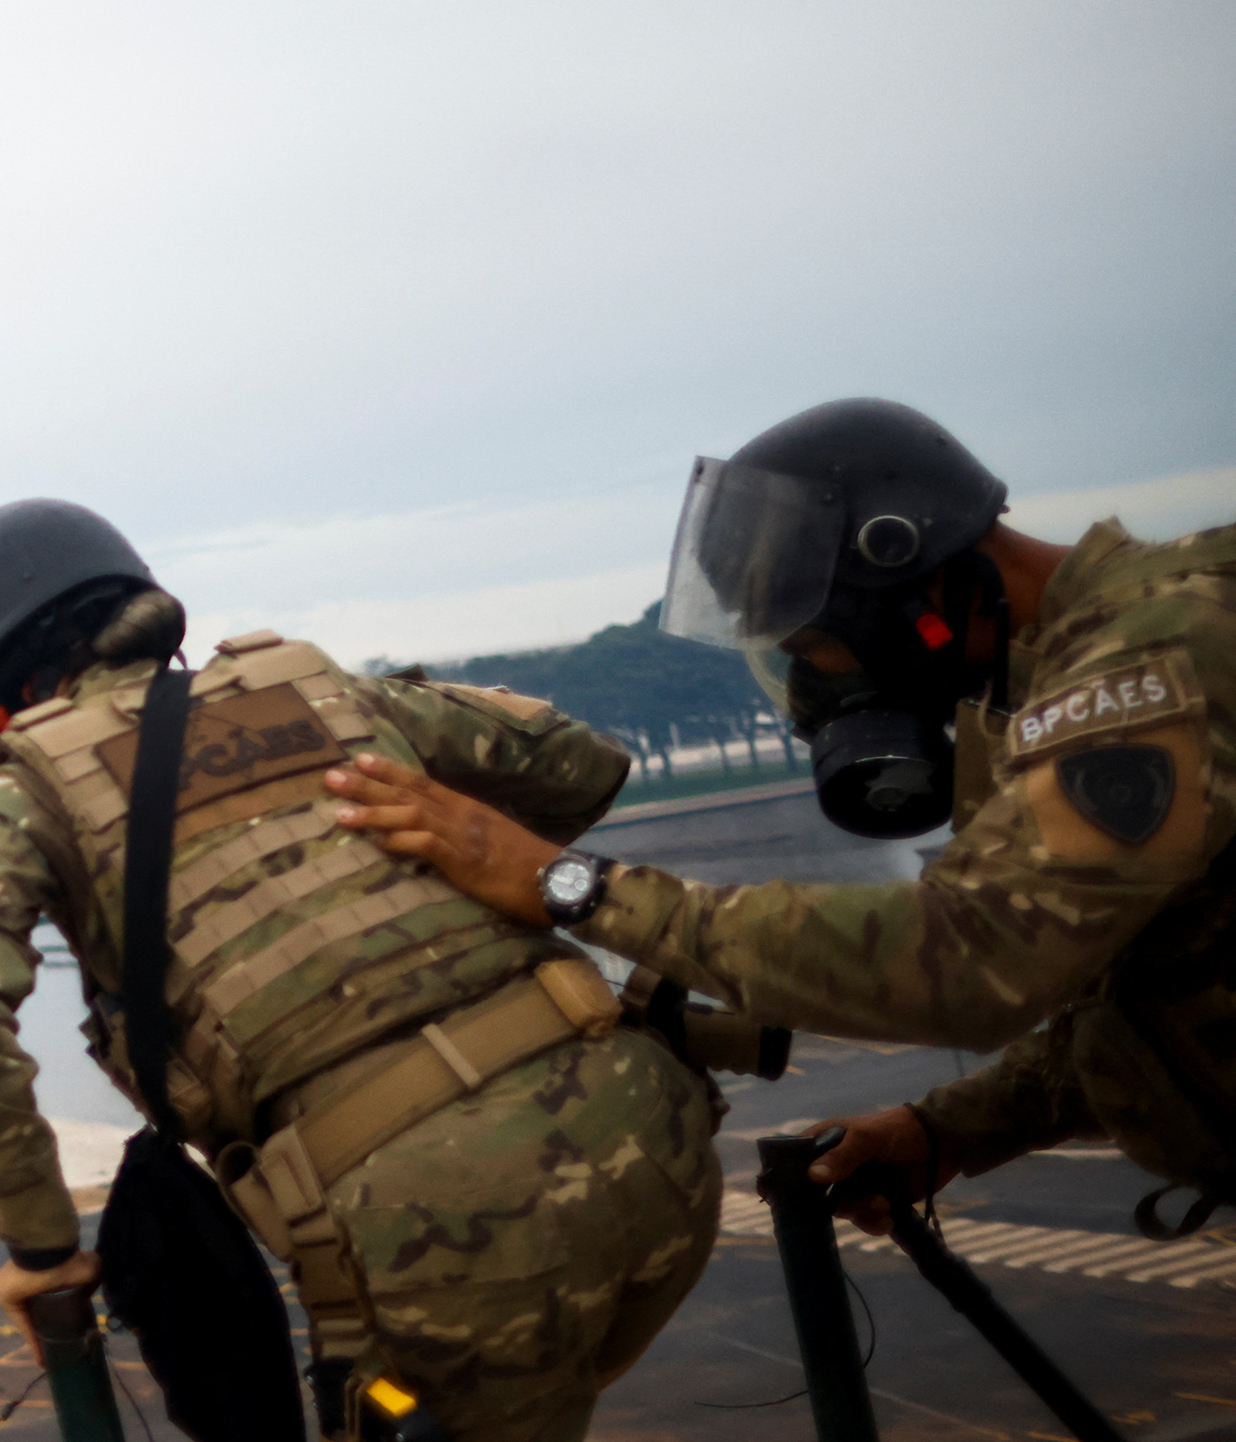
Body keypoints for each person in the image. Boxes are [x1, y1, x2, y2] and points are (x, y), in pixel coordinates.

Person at [0, 498, 722, 1442]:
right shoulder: (309, 683)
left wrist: (42, 1250)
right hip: (657, 1139)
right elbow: (579, 763)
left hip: (446, 1231)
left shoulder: (20, 789)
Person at [324, 398, 1236, 1236]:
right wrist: (951, 1127)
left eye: (813, 646)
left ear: (908, 586)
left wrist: (569, 885)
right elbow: (1174, 974)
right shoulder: (1105, 659)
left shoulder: (1159, 657)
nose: (817, 692)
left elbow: (973, 956)